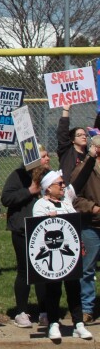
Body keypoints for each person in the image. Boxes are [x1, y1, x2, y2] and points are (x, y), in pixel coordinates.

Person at [33, 169, 92, 341]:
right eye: (60, 183)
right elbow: (37, 231)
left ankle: (78, 324)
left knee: (74, 287)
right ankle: (53, 323)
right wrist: (48, 218)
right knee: (53, 289)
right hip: (51, 257)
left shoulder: (66, 202)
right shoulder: (41, 205)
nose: (63, 186)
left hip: (69, 256)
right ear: (48, 188)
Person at [1, 146, 50, 329]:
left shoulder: (51, 176)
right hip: (22, 230)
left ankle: (44, 311)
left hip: (45, 231)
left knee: (43, 272)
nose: (47, 159)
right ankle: (21, 312)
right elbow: (6, 199)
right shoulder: (18, 175)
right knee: (25, 271)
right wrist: (29, 191)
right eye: (44, 156)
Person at [69, 131, 100, 325]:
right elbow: (73, 197)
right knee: (87, 268)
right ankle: (87, 308)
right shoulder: (85, 169)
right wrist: (93, 208)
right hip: (91, 225)